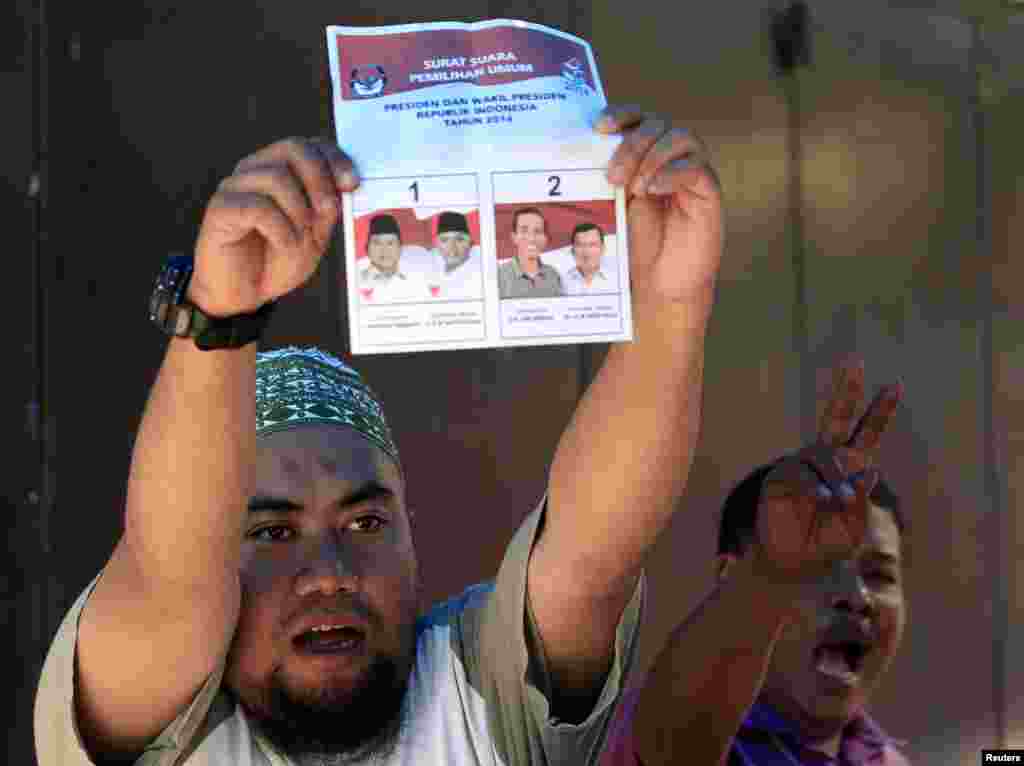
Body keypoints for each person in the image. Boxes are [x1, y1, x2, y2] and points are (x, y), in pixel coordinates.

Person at [34, 103, 725, 765]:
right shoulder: (160, 729)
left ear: (412, 537)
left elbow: (594, 553)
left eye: (365, 522)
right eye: (272, 532)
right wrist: (219, 317)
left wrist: (671, 303)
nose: (329, 573)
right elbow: (170, 579)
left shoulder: (475, 693)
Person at [600, 359, 912, 766]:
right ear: (733, 577)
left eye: (879, 575)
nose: (857, 597)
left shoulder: (884, 759)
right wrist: (768, 575)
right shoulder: (664, 726)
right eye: (816, 569)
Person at [496, 207, 565, 299]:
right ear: (514, 237)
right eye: (524, 231)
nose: (531, 238)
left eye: (538, 231)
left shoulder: (553, 275)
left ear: (545, 238)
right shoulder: (499, 276)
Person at [358, 214, 423, 303]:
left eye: (390, 243)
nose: (384, 250)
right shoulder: (356, 280)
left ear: (400, 248)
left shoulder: (416, 279)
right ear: (367, 249)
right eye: (377, 243)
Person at [427, 211, 482, 300]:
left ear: (470, 243)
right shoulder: (430, 262)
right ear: (437, 244)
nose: (452, 248)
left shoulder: (482, 266)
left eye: (459, 240)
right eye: (444, 240)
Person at [566, 223, 617, 295]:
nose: (587, 251)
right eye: (580, 245)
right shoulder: (562, 283)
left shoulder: (617, 281)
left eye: (592, 245)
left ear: (602, 249)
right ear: (572, 251)